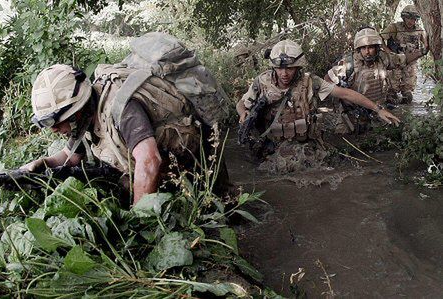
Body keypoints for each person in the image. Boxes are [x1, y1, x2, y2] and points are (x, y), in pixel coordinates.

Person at [20, 64, 226, 205]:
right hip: (165, 172)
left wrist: (140, 220)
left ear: (78, 109)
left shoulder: (122, 109)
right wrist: (43, 163)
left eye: (58, 121)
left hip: (198, 164)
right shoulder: (83, 118)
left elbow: (149, 162)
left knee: (222, 208)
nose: (54, 129)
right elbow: (70, 156)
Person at [236, 39, 400, 172]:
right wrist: (243, 114)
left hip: (306, 141)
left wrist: (378, 109)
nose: (284, 74)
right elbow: (241, 104)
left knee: (335, 165)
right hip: (273, 144)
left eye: (290, 68)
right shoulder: (261, 82)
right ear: (273, 67)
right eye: (279, 68)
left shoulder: (310, 82)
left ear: (298, 66)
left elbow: (345, 93)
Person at [325, 27, 426, 133]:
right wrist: (344, 95)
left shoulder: (382, 58)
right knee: (345, 137)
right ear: (358, 49)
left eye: (370, 48)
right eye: (363, 48)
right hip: (352, 112)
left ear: (377, 48)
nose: (367, 52)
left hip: (377, 109)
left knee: (391, 132)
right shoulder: (348, 63)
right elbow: (327, 81)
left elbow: (403, 59)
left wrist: (423, 52)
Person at [381, 5, 428, 104]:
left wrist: (420, 52)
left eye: (413, 19)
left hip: (410, 62)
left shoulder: (419, 31)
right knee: (391, 93)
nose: (411, 21)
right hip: (395, 61)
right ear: (403, 17)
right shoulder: (394, 27)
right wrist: (388, 52)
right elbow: (379, 38)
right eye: (408, 18)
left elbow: (426, 46)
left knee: (408, 95)